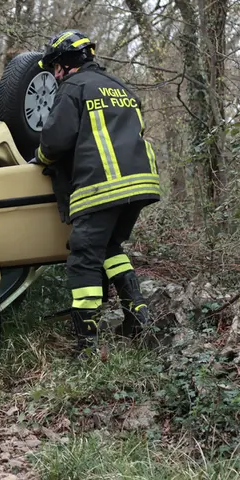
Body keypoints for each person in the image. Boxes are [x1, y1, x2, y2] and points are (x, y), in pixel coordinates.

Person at [32, 30, 161, 355]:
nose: (55, 74)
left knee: (83, 257)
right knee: (110, 247)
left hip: (102, 186)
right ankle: (138, 315)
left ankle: (87, 344)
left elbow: (55, 141)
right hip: (141, 183)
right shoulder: (121, 88)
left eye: (55, 67)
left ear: (64, 63)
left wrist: (41, 159)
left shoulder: (74, 88)